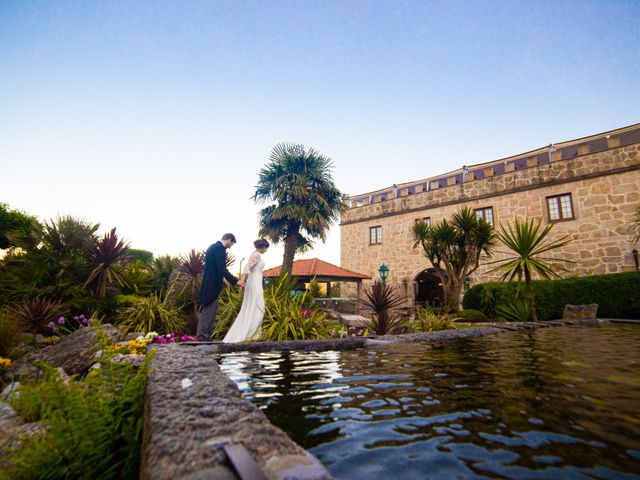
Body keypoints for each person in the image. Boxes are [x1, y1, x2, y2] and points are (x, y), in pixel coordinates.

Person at [196, 233, 244, 341]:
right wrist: (236, 281)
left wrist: (223, 281)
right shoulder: (220, 249)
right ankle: (202, 336)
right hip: (212, 285)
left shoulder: (212, 247)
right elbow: (222, 269)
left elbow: (214, 268)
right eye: (231, 244)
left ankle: (205, 335)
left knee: (211, 310)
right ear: (229, 240)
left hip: (209, 283)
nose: (230, 246)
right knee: (209, 310)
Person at [223, 239, 269, 343]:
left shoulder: (255, 254)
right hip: (254, 283)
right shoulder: (256, 255)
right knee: (258, 306)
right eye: (266, 248)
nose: (266, 250)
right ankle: (251, 334)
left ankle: (253, 334)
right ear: (263, 247)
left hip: (256, 282)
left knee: (256, 306)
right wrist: (242, 282)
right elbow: (247, 267)